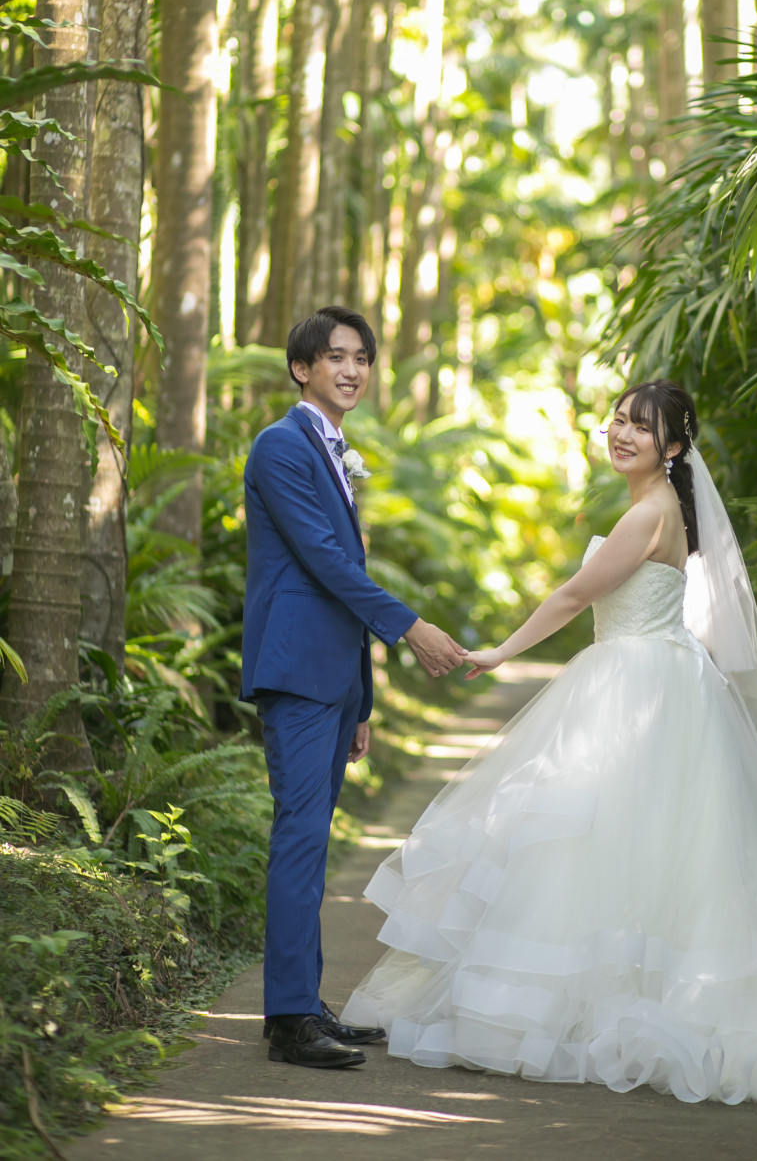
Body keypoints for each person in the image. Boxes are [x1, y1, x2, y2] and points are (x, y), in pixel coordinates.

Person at [341, 379, 757, 1105]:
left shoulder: (647, 514)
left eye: (641, 428)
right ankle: (623, 996)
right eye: (617, 420)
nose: (621, 433)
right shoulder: (662, 509)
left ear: (674, 447)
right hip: (660, 676)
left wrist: (498, 651)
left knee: (592, 836)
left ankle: (601, 1009)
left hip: (634, 680)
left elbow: (573, 596)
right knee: (635, 846)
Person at [242, 305, 467, 1069]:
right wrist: (413, 628)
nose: (351, 369)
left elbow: (347, 579)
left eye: (363, 358)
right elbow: (326, 566)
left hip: (334, 679)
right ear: (301, 367)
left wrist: (363, 699)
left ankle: (303, 1004)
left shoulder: (334, 450)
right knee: (300, 839)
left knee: (312, 841)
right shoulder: (281, 445)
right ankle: (288, 1019)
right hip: (297, 672)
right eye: (335, 356)